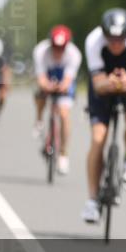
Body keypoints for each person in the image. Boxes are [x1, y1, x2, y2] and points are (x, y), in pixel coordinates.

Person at [82, 8, 126, 223]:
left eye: (120, 39)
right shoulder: (94, 41)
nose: (115, 43)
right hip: (102, 87)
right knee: (98, 138)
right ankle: (92, 200)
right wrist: (109, 83)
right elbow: (97, 84)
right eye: (111, 39)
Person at [32, 25, 83, 174]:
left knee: (64, 114)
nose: (58, 51)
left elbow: (68, 80)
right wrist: (47, 86)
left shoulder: (74, 54)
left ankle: (63, 155)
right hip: (47, 75)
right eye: (55, 47)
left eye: (62, 48)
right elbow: (41, 78)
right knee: (40, 95)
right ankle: (39, 120)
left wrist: (62, 87)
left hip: (64, 79)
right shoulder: (41, 51)